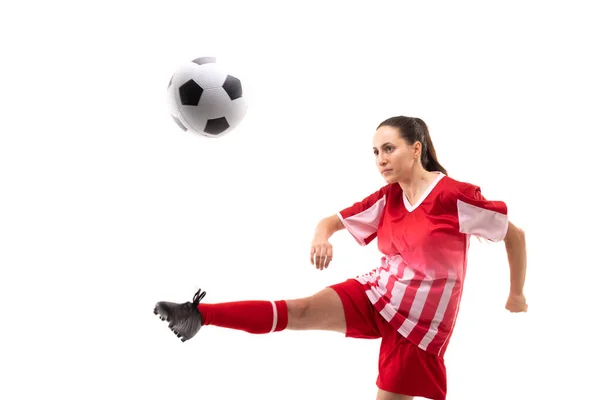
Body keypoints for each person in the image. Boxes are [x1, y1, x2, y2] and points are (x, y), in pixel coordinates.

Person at [154, 116, 528, 400]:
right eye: (376, 152)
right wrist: (321, 238)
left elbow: (515, 235)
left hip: (421, 326)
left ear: (417, 149)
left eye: (389, 149)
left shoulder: (454, 196)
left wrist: (516, 294)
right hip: (378, 293)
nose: (380, 159)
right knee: (298, 310)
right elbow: (329, 222)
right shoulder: (388, 197)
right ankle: (199, 315)